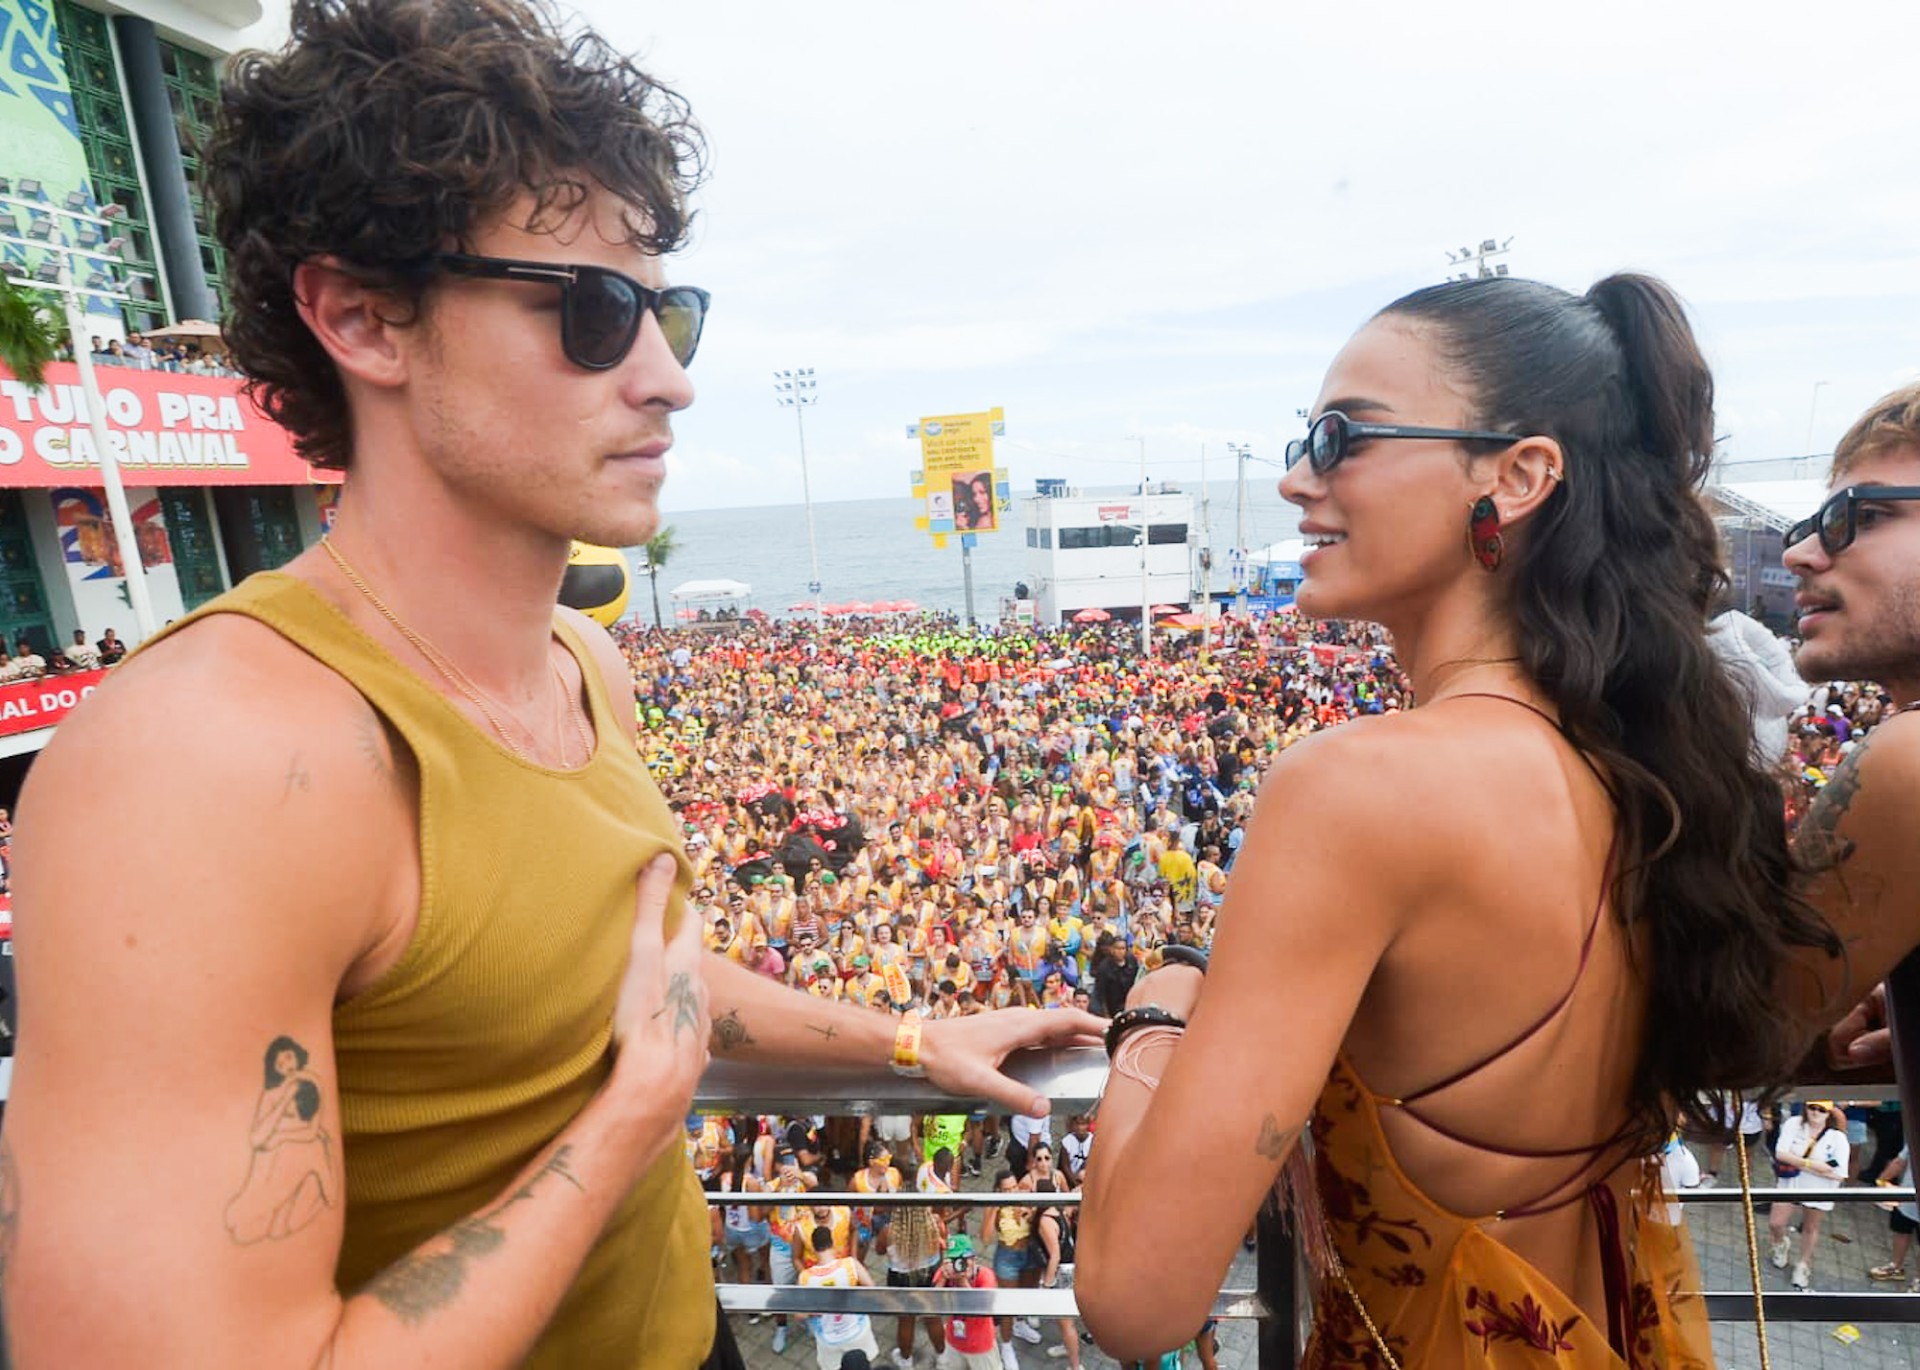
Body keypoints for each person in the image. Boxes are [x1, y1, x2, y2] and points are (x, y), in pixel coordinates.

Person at [0, 4, 1101, 1367]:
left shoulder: (583, 660)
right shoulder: (206, 763)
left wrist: (911, 1040)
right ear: (362, 317)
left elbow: (636, 978)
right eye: (591, 311)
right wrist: (627, 1122)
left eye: (665, 309)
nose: (668, 378)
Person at [1077, 273, 1839, 1367]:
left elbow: (1135, 1299)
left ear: (1521, 474)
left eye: (1344, 435)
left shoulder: (1356, 789)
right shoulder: (1646, 760)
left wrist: (1153, 1012)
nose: (1298, 477)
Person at [1766, 1102, 1848, 1289]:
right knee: (1776, 1223)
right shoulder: (1793, 1124)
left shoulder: (1838, 1139)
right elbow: (1780, 1153)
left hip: (1820, 1188)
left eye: (1822, 1110)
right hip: (1791, 1182)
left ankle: (1803, 1265)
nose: (1815, 1113)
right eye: (1812, 1108)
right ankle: (1780, 1244)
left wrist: (1799, 1163)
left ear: (1829, 1113)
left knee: (1810, 1227)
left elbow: (1839, 1173)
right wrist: (1814, 1165)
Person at [796, 1225, 881, 1370]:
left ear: (813, 1249)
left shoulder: (805, 1277)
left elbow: (799, 1315)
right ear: (832, 1243)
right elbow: (872, 1290)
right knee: (862, 1364)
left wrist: (819, 1308)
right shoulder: (850, 1265)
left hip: (829, 1339)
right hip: (857, 1331)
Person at [932, 1235, 1004, 1370]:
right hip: (954, 1340)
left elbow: (980, 1307)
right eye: (954, 1260)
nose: (959, 1264)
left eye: (963, 1259)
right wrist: (943, 1277)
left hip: (980, 1344)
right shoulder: (946, 1272)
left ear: (973, 1258)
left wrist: (962, 1280)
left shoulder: (985, 1275)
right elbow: (933, 1304)